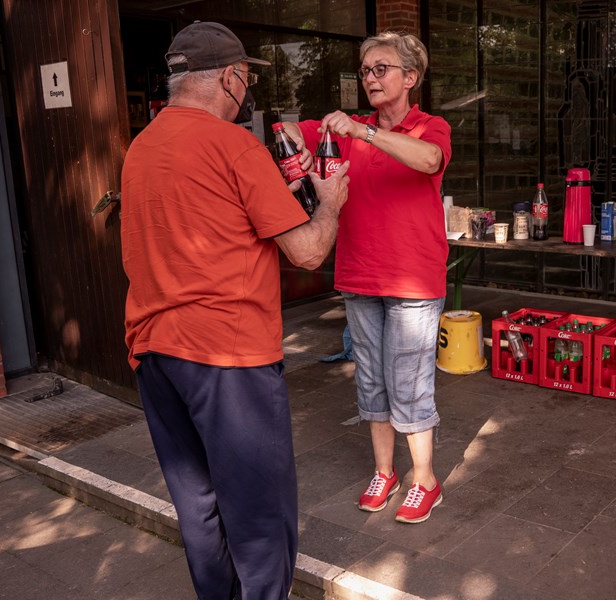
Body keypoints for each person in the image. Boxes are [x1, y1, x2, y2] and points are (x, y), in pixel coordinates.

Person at [120, 21, 349, 599]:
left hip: (154, 352)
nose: (246, 91)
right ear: (230, 76)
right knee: (260, 518)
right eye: (246, 78)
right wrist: (330, 204)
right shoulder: (234, 146)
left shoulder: (140, 148)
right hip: (228, 355)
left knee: (198, 509)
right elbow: (307, 251)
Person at [282, 32, 451, 524]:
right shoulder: (345, 129)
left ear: (409, 78)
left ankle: (425, 479)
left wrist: (365, 135)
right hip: (359, 275)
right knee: (372, 381)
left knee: (411, 383)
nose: (370, 78)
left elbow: (430, 161)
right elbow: (288, 129)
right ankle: (385, 472)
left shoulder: (429, 127)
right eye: (366, 71)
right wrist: (300, 151)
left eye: (381, 69)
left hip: (414, 282)